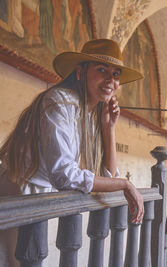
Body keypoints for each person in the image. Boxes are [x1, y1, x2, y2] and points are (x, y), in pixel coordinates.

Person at [0, 38, 144, 266]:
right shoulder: (59, 103)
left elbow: (107, 178)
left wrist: (109, 129)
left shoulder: (88, 116)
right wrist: (126, 185)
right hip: (15, 194)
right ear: (80, 72)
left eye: (116, 74)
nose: (111, 80)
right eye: (101, 70)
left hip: (36, 197)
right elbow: (65, 176)